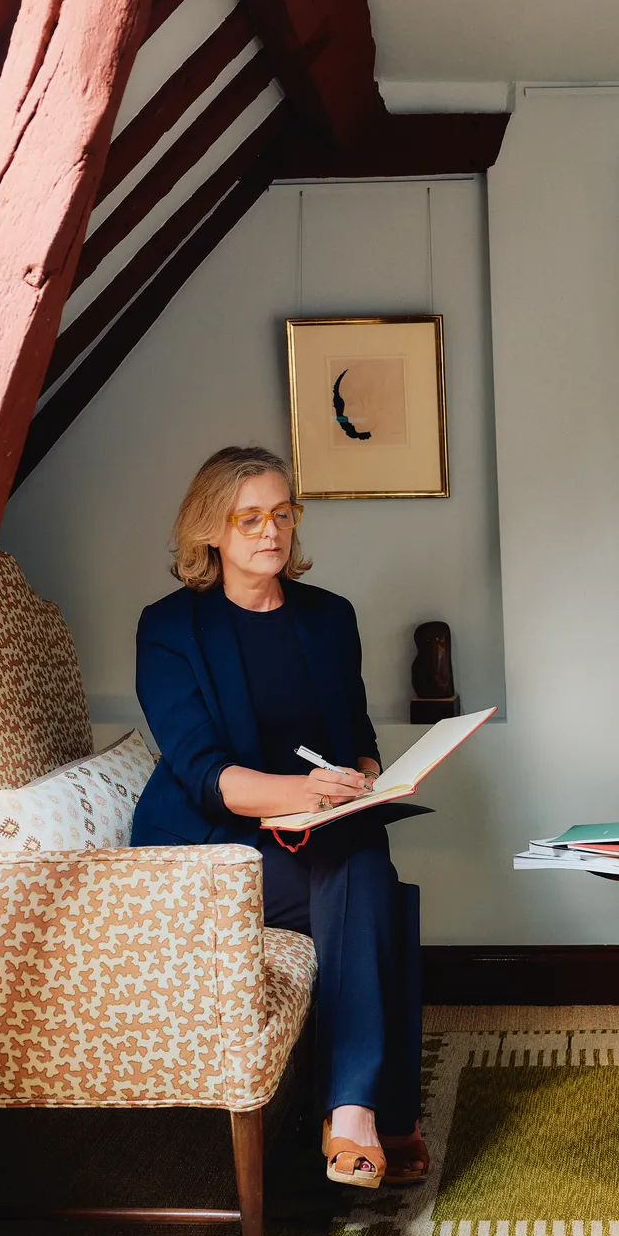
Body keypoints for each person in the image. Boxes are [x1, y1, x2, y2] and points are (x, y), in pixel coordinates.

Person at [131, 445, 427, 1190]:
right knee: (374, 886)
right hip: (213, 846)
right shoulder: (168, 628)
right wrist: (309, 793)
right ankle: (379, 1111)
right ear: (210, 530)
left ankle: (355, 1113)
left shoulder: (329, 616)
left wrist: (364, 777)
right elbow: (209, 777)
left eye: (283, 514)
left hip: (313, 832)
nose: (272, 531)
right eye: (251, 518)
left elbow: (356, 733)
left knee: (362, 863)